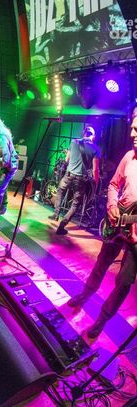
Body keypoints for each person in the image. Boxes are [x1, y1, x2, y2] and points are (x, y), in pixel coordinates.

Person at [66, 117, 137, 339]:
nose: (132, 134)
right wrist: (112, 206)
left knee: (124, 282)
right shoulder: (129, 157)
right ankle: (84, 295)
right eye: (132, 129)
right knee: (101, 265)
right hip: (117, 224)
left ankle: (102, 318)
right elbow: (114, 184)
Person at [49, 126, 100, 235]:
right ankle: (62, 225)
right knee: (75, 204)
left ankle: (56, 213)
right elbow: (95, 170)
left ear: (83, 133)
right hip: (81, 179)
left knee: (60, 190)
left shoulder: (73, 142)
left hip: (68, 175)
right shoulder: (96, 149)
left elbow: (66, 160)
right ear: (93, 136)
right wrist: (95, 185)